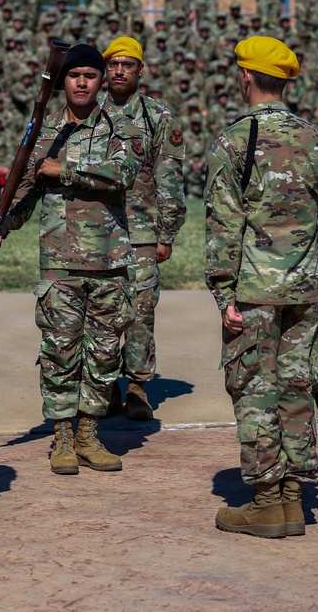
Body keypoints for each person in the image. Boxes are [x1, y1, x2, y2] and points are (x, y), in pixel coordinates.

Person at [0, 44, 143, 476]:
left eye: (91, 75)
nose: (84, 82)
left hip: (110, 259)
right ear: (64, 82)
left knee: (105, 354)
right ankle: (63, 438)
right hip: (60, 262)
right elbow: (26, 189)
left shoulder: (119, 127)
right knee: (60, 353)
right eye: (75, 76)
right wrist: (1, 224)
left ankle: (90, 433)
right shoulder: (43, 133)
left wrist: (63, 171)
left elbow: (123, 174)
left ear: (102, 80)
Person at [205, 36, 318, 537]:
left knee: (255, 392)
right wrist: (311, 270)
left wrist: (224, 294)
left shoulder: (234, 141)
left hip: (254, 291)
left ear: (246, 77)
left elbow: (224, 226)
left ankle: (267, 500)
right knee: (296, 389)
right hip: (303, 290)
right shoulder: (317, 139)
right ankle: (292, 499)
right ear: (284, 81)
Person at [99, 37, 186, 419]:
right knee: (99, 311)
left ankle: (136, 386)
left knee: (139, 312)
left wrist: (166, 234)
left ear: (140, 70)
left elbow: (169, 179)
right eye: (113, 64)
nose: (119, 71)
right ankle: (101, 387)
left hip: (140, 232)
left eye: (127, 65)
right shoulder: (87, 111)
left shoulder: (157, 118)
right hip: (94, 232)